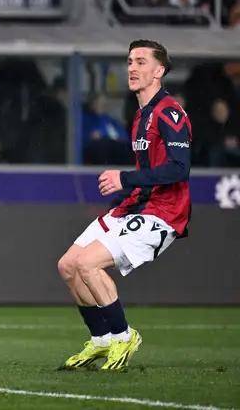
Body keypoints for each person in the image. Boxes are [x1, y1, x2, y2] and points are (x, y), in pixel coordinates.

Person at [57, 40, 192, 371]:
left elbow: (179, 168)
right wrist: (125, 190)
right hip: (136, 204)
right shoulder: (141, 114)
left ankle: (124, 335)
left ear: (159, 71)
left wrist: (125, 179)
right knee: (68, 265)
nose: (132, 68)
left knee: (88, 264)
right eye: (130, 61)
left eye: (141, 62)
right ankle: (102, 340)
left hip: (163, 212)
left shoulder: (169, 112)